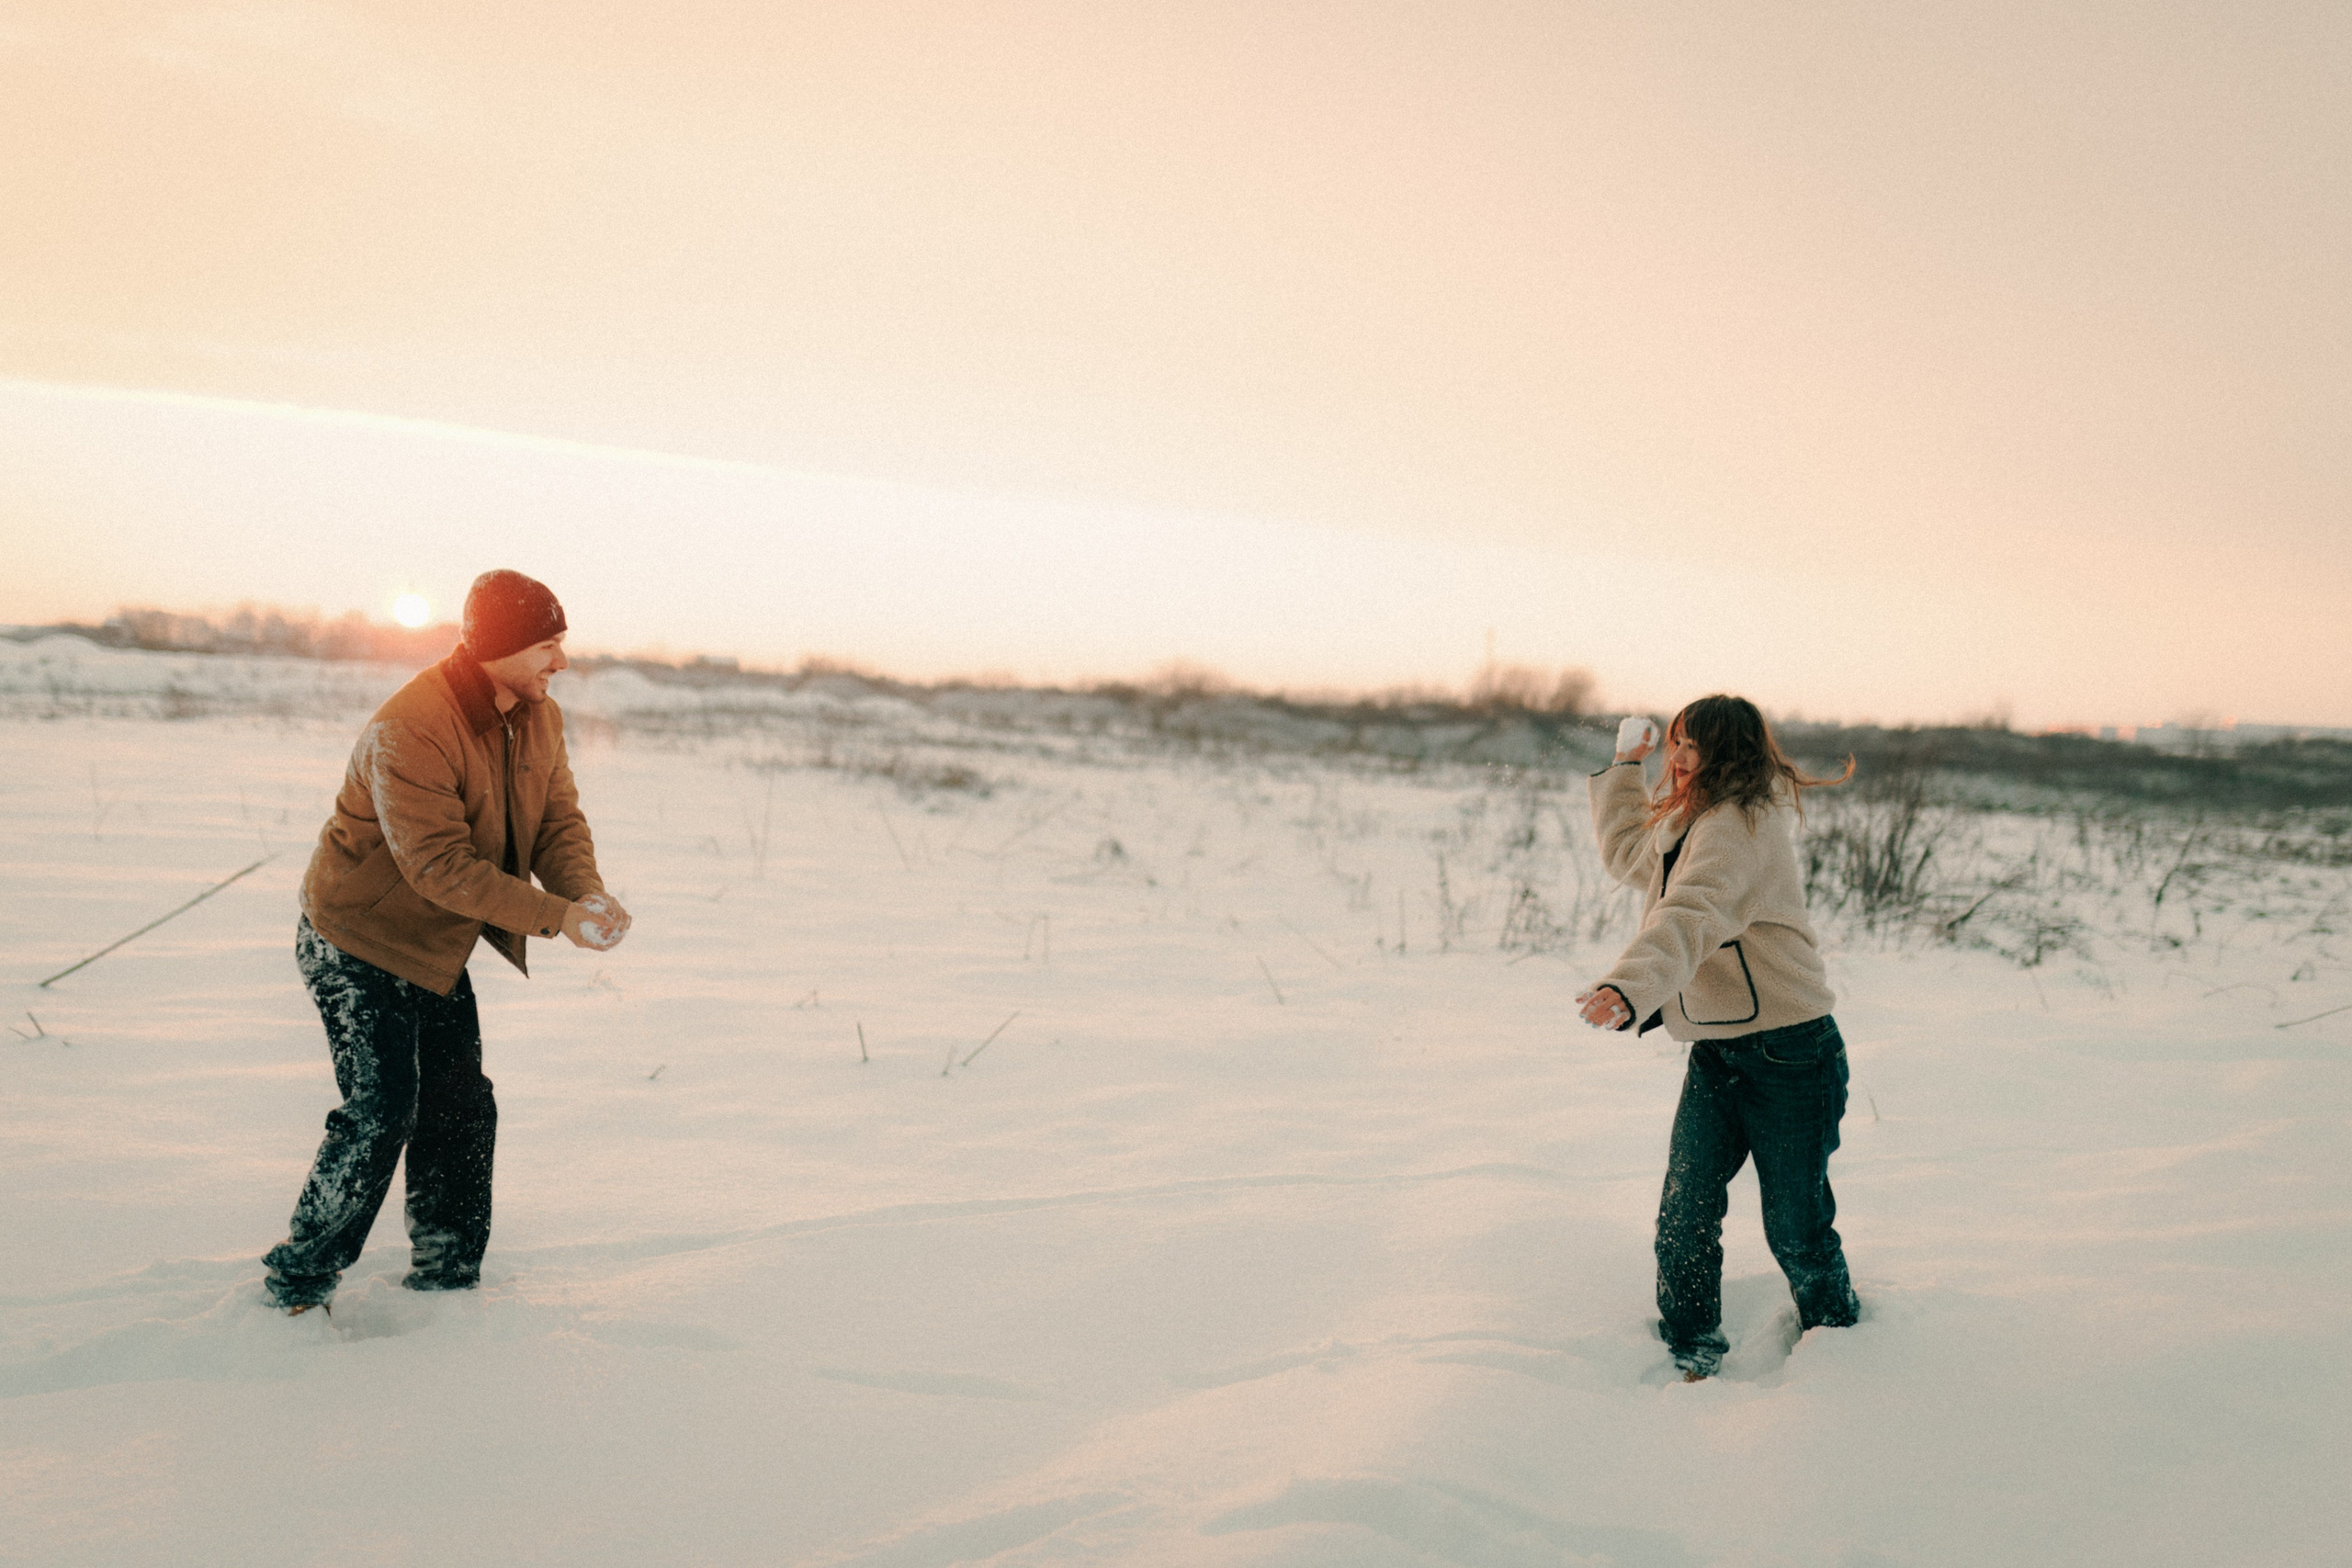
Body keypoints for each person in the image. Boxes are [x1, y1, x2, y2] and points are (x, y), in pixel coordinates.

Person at [263, 570, 630, 1314]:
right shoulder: (413, 727)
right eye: (547, 645)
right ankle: (298, 1284)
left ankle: (448, 1273)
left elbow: (558, 820)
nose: (560, 662)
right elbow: (438, 865)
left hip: (432, 944)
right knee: (383, 1105)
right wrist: (556, 918)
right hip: (355, 939)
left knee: (462, 1102)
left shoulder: (539, 718)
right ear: (498, 648)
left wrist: (582, 890)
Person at [1576, 694, 1859, 1381]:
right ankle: (1692, 1349)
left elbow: (1692, 912)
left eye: (1690, 746)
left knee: (1795, 1228)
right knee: (1686, 1210)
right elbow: (1627, 854)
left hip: (1791, 1052)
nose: (1676, 757)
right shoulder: (1690, 818)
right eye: (1674, 741)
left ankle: (1845, 1349)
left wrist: (1630, 985)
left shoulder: (1739, 829)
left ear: (1726, 753)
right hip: (1721, 1050)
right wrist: (1623, 766)